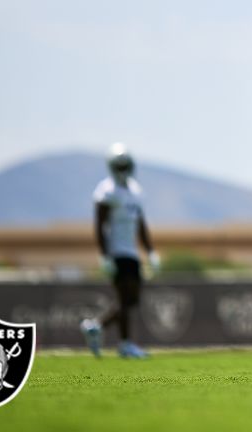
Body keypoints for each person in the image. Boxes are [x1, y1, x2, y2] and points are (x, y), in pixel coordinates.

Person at [80, 143, 160, 359]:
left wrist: (150, 251)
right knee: (125, 298)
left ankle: (97, 326)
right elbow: (100, 226)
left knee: (131, 299)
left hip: (132, 253)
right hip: (116, 252)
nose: (123, 169)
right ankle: (125, 343)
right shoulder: (106, 191)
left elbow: (140, 224)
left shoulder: (135, 191)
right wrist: (105, 256)